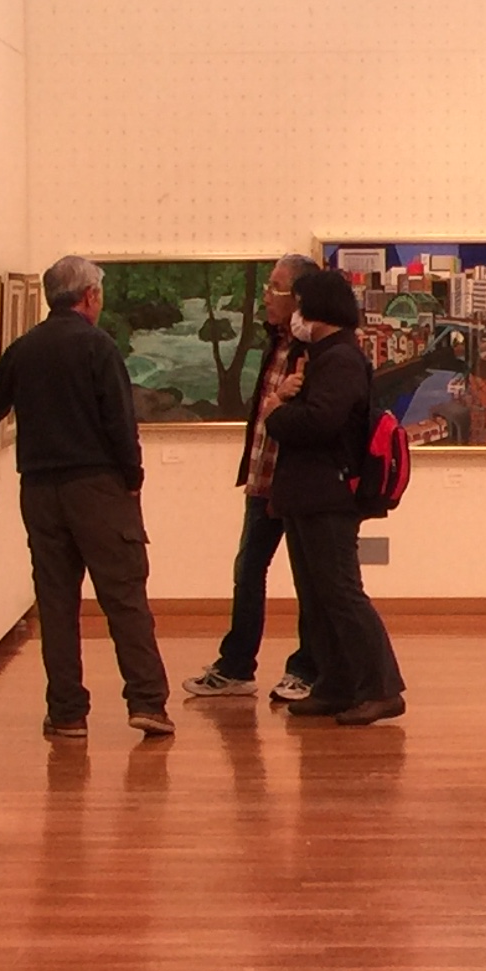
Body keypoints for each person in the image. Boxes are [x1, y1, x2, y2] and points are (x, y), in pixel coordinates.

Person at [0, 255, 172, 739]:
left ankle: (66, 712)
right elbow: (120, 421)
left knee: (56, 602)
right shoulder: (98, 346)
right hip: (98, 489)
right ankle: (147, 702)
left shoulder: (24, 348)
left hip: (39, 492)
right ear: (90, 296)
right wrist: (132, 478)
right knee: (123, 596)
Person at [262, 266, 405, 726]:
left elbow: (320, 422)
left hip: (329, 493)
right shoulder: (320, 356)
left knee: (341, 593)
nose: (295, 314)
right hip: (308, 493)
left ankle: (381, 688)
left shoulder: (340, 359)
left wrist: (277, 411)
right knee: (317, 595)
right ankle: (336, 685)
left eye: (300, 305)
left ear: (318, 309)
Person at [182, 254, 322, 705]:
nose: (265, 295)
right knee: (248, 571)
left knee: (309, 578)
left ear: (297, 297)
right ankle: (236, 667)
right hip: (263, 479)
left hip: (298, 484)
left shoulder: (315, 351)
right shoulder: (274, 343)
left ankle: (307, 671)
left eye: (274, 288)